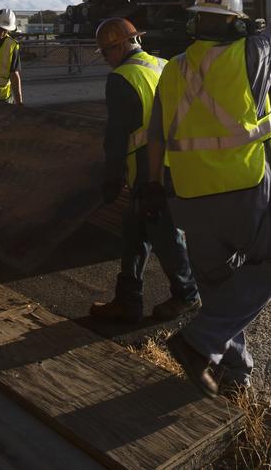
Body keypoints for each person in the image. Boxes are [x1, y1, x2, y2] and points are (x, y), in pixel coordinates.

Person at [147, 0, 271, 398]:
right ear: (237, 24)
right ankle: (198, 343)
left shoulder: (172, 69)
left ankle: (233, 373)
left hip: (191, 197)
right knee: (269, 267)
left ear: (195, 22)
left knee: (217, 285)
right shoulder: (251, 53)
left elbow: (157, 136)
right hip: (247, 187)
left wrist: (152, 186)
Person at [89, 17, 200, 324]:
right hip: (176, 162)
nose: (107, 61)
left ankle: (187, 294)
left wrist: (112, 178)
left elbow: (117, 136)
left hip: (149, 171)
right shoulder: (162, 65)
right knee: (135, 232)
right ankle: (127, 301)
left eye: (107, 52)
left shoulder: (123, 78)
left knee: (165, 234)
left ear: (122, 45)